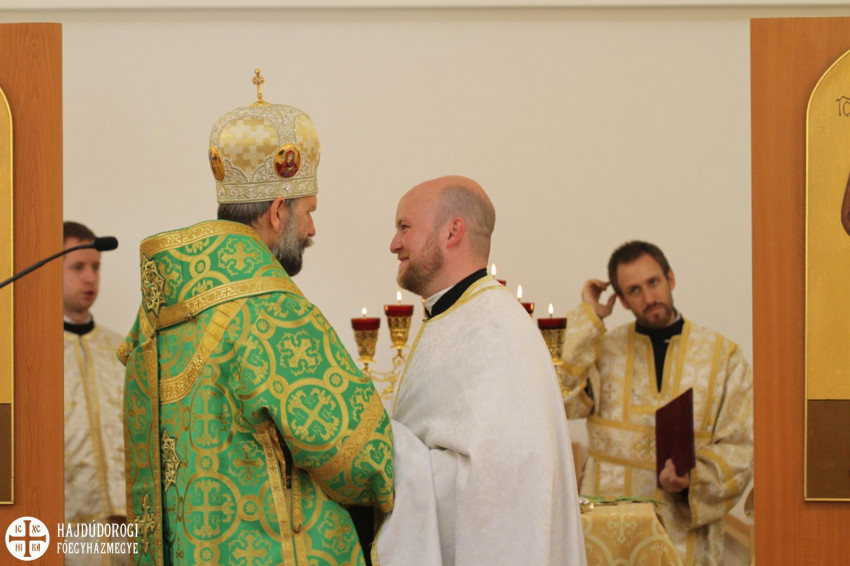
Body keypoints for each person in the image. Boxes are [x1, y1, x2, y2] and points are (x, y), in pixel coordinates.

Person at [118, 75, 393, 566]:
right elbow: (356, 453)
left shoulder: (160, 309)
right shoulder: (271, 309)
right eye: (307, 211)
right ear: (277, 210)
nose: (311, 229)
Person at [374, 175, 586, 566]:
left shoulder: (495, 331)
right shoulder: (457, 316)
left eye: (405, 227)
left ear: (452, 232)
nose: (394, 243)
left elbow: (499, 490)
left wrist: (382, 440)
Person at [562, 240, 753, 566]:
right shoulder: (604, 350)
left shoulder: (723, 356)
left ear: (670, 279)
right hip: (609, 536)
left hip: (684, 538)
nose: (649, 297)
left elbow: (741, 445)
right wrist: (589, 317)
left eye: (654, 282)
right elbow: (562, 397)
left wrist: (693, 480)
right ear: (622, 300)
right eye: (634, 290)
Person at [63, 220, 130, 565]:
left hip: (124, 525)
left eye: (95, 267)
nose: (90, 277)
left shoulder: (120, 350)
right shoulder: (33, 359)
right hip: (67, 525)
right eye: (78, 267)